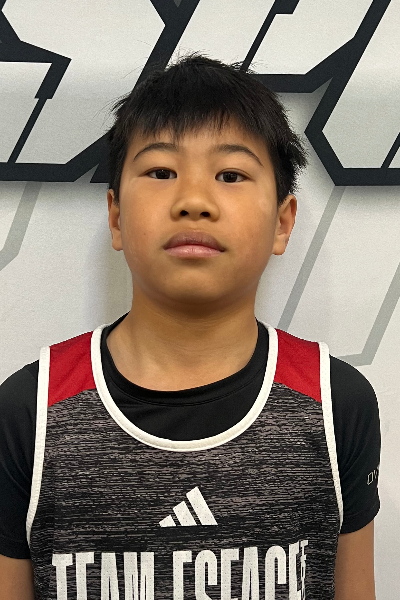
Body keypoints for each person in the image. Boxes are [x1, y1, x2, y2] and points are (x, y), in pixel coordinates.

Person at [0, 53, 380, 600]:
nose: (194, 202)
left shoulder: (335, 402)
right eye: (161, 172)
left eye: (230, 175)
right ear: (115, 217)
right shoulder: (29, 411)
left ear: (282, 222)